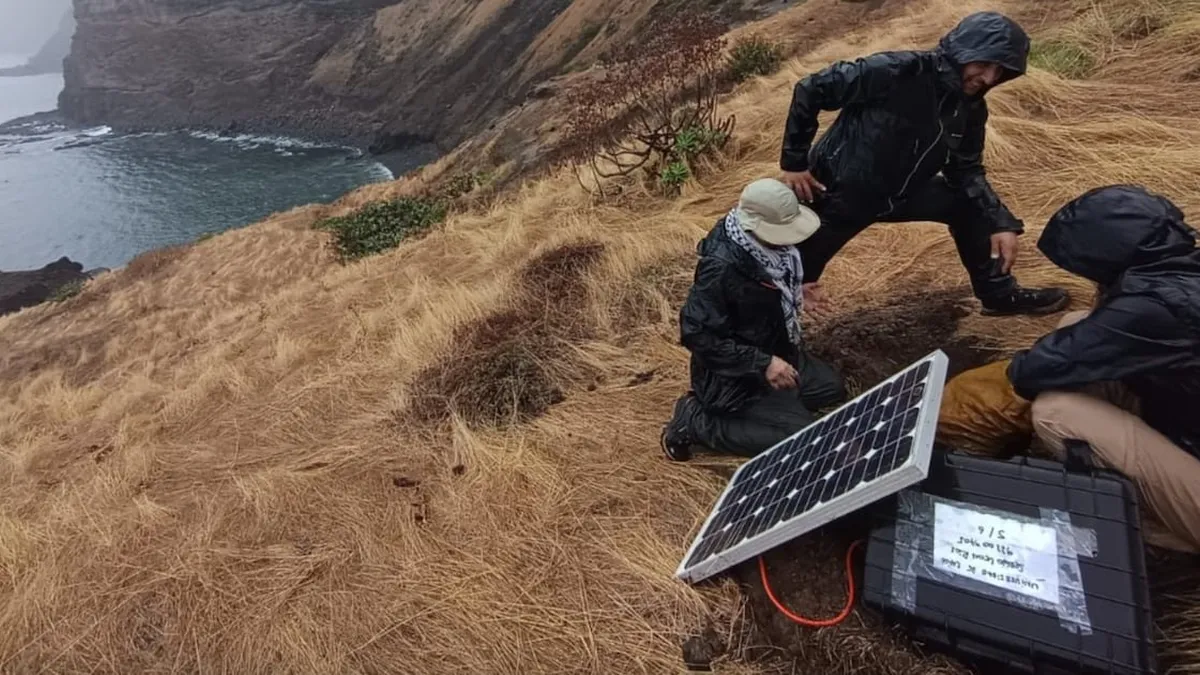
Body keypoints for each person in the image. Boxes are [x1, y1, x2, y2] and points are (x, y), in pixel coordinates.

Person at [937, 184, 1200, 553]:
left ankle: (1146, 523)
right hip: (1187, 422)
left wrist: (961, 409)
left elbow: (1039, 369)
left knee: (1056, 412)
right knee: (1076, 324)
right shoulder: (1180, 270)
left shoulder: (1158, 306)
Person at [778, 11, 1069, 316]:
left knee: (968, 204)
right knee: (789, 283)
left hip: (901, 195)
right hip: (837, 197)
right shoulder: (895, 71)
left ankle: (999, 295)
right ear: (962, 52)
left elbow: (966, 170)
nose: (988, 78)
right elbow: (812, 89)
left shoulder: (971, 109)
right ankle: (771, 336)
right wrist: (794, 162)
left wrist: (1000, 222)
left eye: (999, 72)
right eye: (983, 65)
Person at [661, 178, 847, 461]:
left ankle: (779, 410)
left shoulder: (767, 251)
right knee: (802, 440)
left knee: (830, 389)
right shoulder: (719, 269)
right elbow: (697, 334)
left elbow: (756, 297)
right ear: (755, 225)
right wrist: (763, 364)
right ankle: (694, 420)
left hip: (774, 349)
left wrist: (794, 293)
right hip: (733, 378)